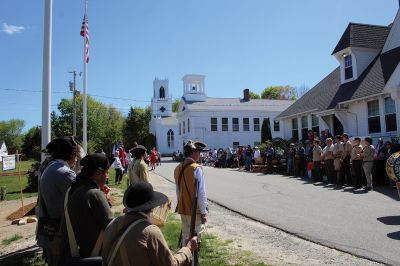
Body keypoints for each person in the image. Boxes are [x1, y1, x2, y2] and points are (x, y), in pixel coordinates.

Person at [102, 182, 197, 265]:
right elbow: (170, 264)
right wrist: (188, 249)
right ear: (151, 207)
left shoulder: (113, 223)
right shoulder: (150, 231)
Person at [61, 153, 115, 261]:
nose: (107, 177)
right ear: (98, 173)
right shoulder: (94, 194)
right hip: (93, 255)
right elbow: (112, 227)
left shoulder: (74, 188)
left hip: (74, 253)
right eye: (107, 172)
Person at [36, 136, 80, 266]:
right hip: (59, 234)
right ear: (70, 155)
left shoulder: (51, 167)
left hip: (49, 230)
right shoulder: (65, 173)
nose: (76, 158)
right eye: (75, 154)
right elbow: (81, 198)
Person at [174, 140, 208, 246]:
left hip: (183, 208)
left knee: (185, 237)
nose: (199, 154)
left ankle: (185, 260)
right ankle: (193, 261)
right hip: (195, 210)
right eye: (198, 152)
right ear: (193, 153)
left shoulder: (177, 168)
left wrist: (182, 204)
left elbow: (178, 191)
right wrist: (203, 212)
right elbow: (201, 194)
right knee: (195, 239)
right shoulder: (196, 168)